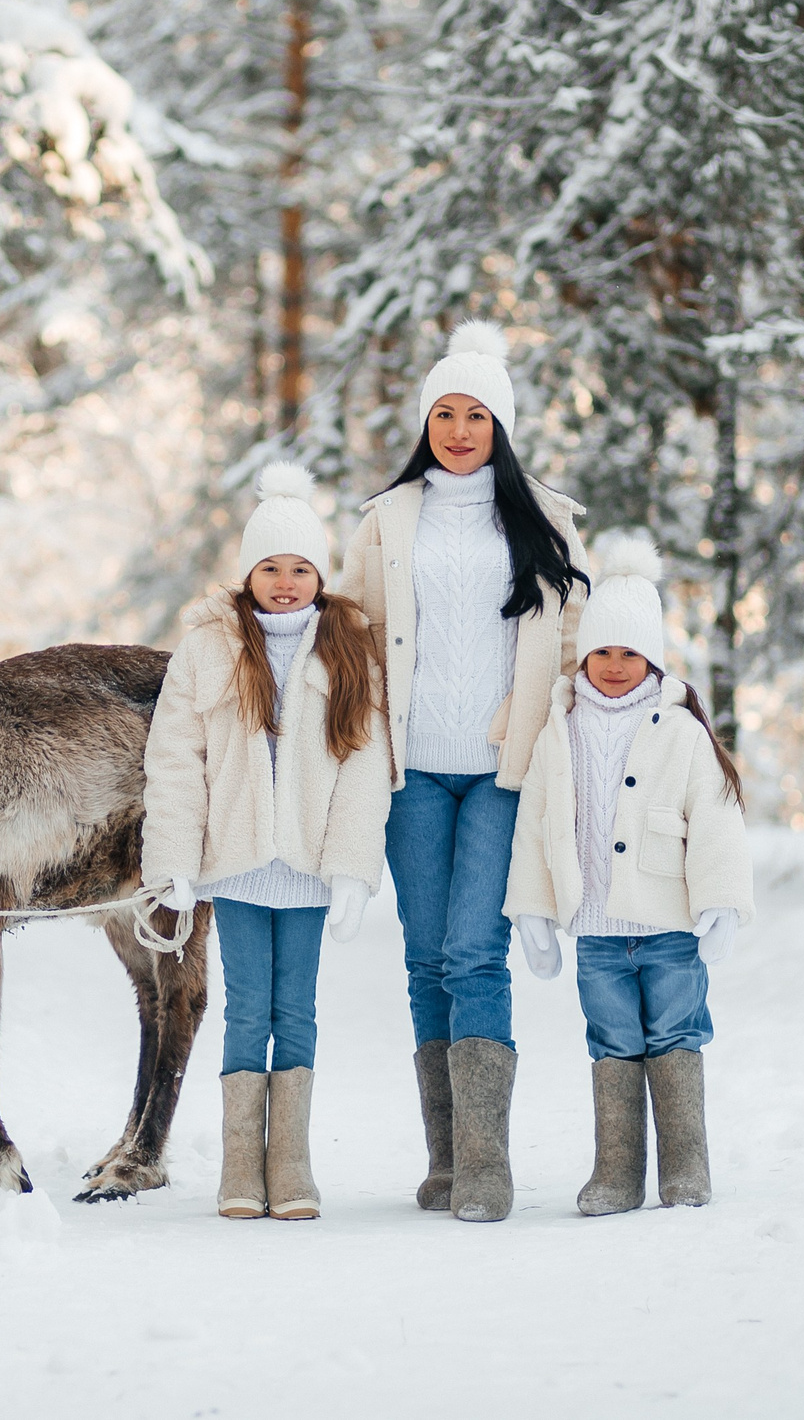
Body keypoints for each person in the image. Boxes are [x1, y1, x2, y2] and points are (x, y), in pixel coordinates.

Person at [331, 322, 590, 1222]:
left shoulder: (548, 521)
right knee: (422, 957)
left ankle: (488, 1165)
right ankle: (444, 1160)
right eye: (445, 412)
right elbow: (350, 639)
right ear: (426, 421)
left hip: (498, 774)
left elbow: (577, 652)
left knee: (475, 954)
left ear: (502, 427)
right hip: (411, 774)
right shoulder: (387, 520)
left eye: (477, 414)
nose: (459, 428)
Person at [143, 463, 390, 1220]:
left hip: (310, 868)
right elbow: (177, 763)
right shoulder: (207, 650)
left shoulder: (348, 648)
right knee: (249, 1008)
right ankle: (241, 1167)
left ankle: (293, 1165)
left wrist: (350, 869)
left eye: (302, 568)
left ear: (320, 575)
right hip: (242, 865)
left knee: (299, 1010)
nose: (286, 582)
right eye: (271, 567)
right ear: (249, 573)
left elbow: (364, 764)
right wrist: (174, 865)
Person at [505, 538, 754, 1215]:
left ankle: (685, 1166)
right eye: (603, 651)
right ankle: (616, 1172)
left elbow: (716, 818)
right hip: (597, 935)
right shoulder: (562, 727)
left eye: (630, 653)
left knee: (674, 1033)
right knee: (612, 1040)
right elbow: (537, 820)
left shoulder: (680, 731)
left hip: (669, 927)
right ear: (585, 653)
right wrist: (533, 910)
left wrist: (721, 901)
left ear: (653, 657)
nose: (615, 666)